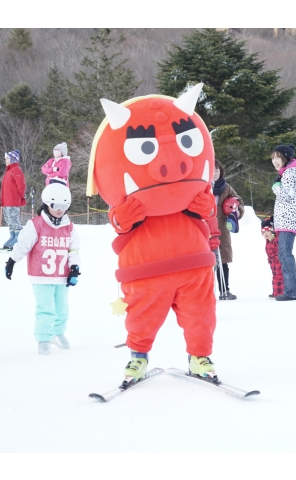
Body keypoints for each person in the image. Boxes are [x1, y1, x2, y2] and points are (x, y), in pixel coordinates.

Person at [87, 84, 220, 387]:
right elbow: (118, 220)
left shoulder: (194, 190)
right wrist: (122, 217)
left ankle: (200, 356)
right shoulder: (130, 201)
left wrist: (206, 205)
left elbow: (206, 211)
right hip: (146, 268)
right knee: (142, 317)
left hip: (193, 263)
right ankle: (138, 356)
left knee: (200, 315)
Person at [4, 183, 81, 355]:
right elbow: (23, 245)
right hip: (41, 275)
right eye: (55, 206)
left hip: (62, 275)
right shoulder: (36, 225)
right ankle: (44, 337)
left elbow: (73, 250)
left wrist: (75, 268)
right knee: (45, 308)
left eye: (64, 206)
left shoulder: (69, 227)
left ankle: (58, 332)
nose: (59, 210)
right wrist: (11, 261)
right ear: (47, 203)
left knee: (62, 308)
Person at [271, 143, 296, 301]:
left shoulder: (290, 173)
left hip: (288, 219)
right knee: (284, 254)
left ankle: (292, 291)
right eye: (273, 158)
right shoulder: (290, 171)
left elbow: (287, 195)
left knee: (285, 254)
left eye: (278, 157)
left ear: (285, 157)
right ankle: (291, 290)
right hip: (288, 218)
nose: (275, 161)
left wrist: (275, 187)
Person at [212, 160, 244, 300]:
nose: (214, 173)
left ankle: (224, 291)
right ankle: (203, 294)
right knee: (205, 262)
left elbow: (239, 202)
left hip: (221, 230)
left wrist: (236, 212)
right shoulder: (200, 187)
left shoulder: (226, 188)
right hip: (203, 230)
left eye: (217, 171)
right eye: (212, 171)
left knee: (222, 261)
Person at [0, 150, 27, 251]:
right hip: (7, 201)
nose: (5, 160)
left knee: (14, 219)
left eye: (7, 158)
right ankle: (13, 236)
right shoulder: (8, 171)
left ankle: (19, 238)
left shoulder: (16, 170)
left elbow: (21, 185)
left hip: (13, 200)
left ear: (12, 159)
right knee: (9, 220)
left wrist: (19, 196)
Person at [261, 217, 284, 299]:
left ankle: (279, 293)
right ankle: (276, 292)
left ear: (272, 231)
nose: (266, 234)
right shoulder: (267, 242)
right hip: (272, 263)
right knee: (275, 276)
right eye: (263, 232)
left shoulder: (276, 240)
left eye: (268, 231)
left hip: (278, 262)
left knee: (279, 277)